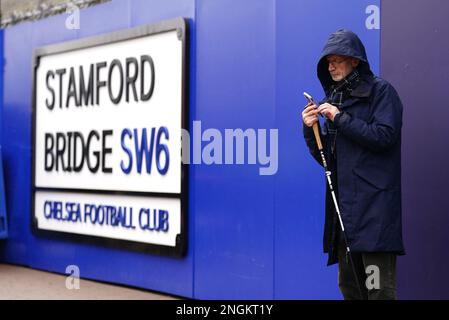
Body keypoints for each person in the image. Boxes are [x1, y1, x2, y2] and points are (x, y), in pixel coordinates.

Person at [301, 29, 405, 300]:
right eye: (328, 61)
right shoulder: (335, 100)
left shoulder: (382, 92)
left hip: (375, 216)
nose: (331, 66)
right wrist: (309, 129)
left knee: (378, 293)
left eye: (338, 59)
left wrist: (339, 118)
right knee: (350, 290)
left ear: (355, 61)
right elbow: (328, 162)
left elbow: (385, 137)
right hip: (344, 215)